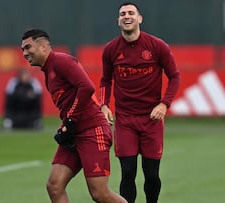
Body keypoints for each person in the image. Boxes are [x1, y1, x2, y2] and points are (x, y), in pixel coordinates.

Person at [21, 29, 127, 203]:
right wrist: (67, 125)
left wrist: (70, 120)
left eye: (27, 47)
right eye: (23, 49)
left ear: (42, 47)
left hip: (93, 131)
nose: (25, 53)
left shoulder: (61, 61)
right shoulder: (48, 70)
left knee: (100, 194)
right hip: (74, 134)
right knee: (54, 186)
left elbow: (86, 87)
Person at [100, 2, 180, 203]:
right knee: (128, 171)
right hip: (125, 120)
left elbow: (175, 77)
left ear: (139, 18)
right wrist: (104, 104)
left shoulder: (157, 46)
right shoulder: (110, 50)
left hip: (151, 120)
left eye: (131, 13)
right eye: (122, 14)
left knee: (151, 173)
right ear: (118, 20)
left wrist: (164, 104)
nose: (127, 16)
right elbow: (105, 79)